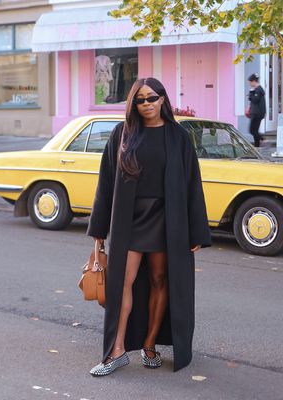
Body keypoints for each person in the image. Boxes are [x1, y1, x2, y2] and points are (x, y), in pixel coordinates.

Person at [87, 77, 211, 376]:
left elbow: (193, 184)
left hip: (167, 220)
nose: (146, 105)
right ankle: (116, 351)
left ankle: (150, 344)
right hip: (130, 220)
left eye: (152, 98)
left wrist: (196, 230)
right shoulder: (123, 134)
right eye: (140, 100)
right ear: (133, 104)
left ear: (163, 99)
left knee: (159, 281)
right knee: (122, 282)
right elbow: (106, 183)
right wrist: (99, 231)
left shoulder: (179, 136)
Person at [247, 73, 266, 147]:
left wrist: (251, 93)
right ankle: (257, 145)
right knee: (254, 130)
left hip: (257, 113)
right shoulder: (257, 89)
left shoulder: (258, 90)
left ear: (254, 81)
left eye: (250, 82)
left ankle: (261, 139)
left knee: (252, 130)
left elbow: (255, 100)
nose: (249, 84)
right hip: (256, 113)